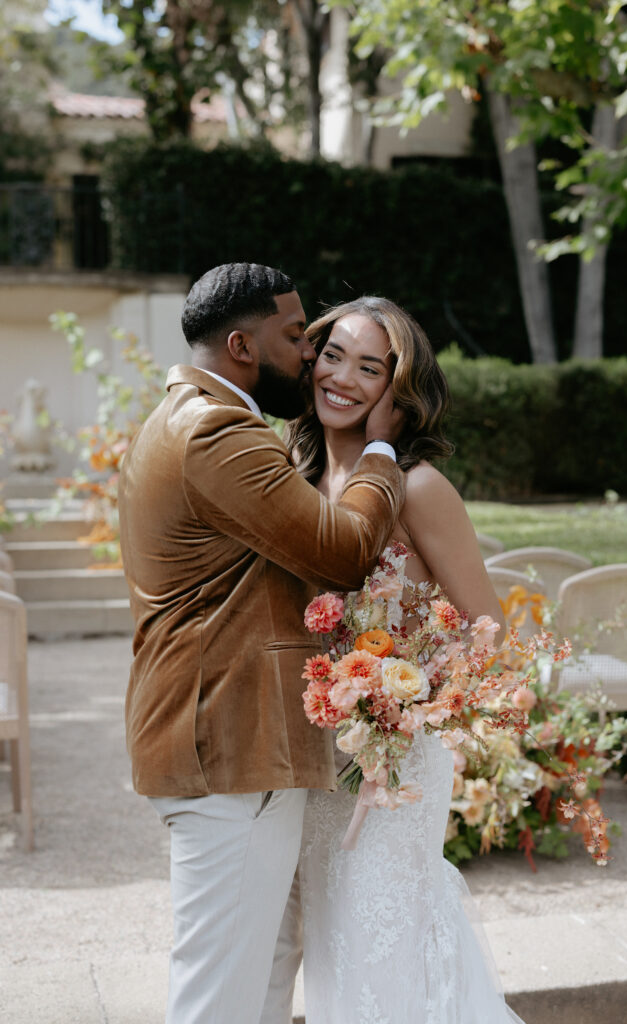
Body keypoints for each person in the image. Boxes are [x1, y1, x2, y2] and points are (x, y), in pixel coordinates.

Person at [117, 264, 406, 1024]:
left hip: (223, 745)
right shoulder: (213, 431)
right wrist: (379, 452)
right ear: (241, 346)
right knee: (220, 996)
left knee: (257, 979)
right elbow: (341, 551)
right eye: (294, 338)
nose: (310, 358)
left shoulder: (192, 418)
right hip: (227, 743)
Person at [287, 296, 524, 1023]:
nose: (343, 379)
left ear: (400, 389)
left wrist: (409, 703)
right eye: (333, 356)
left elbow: (492, 637)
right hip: (316, 757)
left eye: (369, 367)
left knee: (382, 934)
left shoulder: (419, 489)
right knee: (332, 939)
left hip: (397, 764)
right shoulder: (291, 478)